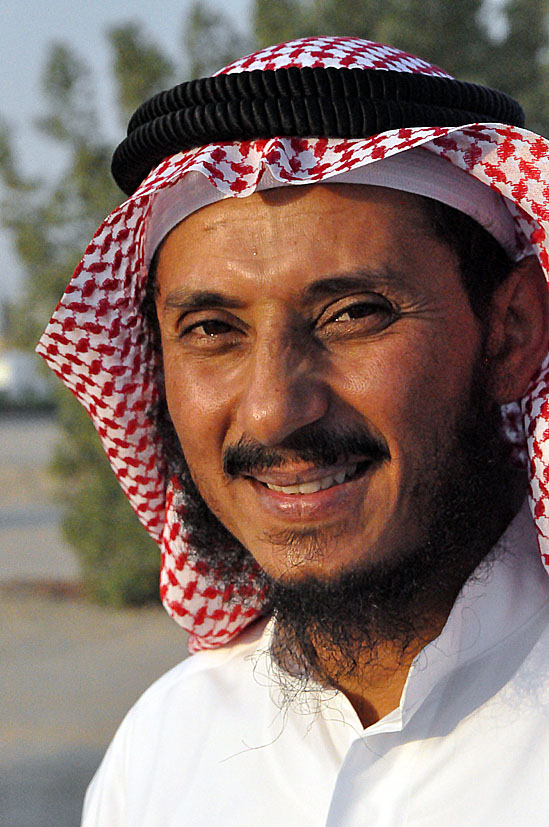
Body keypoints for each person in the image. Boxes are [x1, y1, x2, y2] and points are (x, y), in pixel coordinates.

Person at [38, 36, 549, 826]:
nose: (276, 409)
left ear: (511, 332)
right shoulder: (166, 747)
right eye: (211, 328)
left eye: (353, 314)